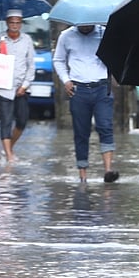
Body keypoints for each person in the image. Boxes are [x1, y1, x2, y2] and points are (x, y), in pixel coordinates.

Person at [53, 23, 118, 183]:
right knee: (81, 132)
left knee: (105, 126)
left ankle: (108, 170)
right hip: (78, 89)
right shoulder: (66, 36)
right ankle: (83, 175)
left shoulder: (104, 34)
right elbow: (58, 60)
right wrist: (66, 80)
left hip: (102, 87)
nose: (85, 26)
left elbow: (118, 55)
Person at [0, 8, 36, 162]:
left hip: (21, 86)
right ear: (7, 23)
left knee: (22, 120)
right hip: (3, 86)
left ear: (21, 24)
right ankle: (9, 155)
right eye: (12, 22)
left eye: (17, 23)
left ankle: (9, 147)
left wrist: (25, 85)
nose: (14, 25)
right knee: (6, 120)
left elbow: (31, 64)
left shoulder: (27, 40)